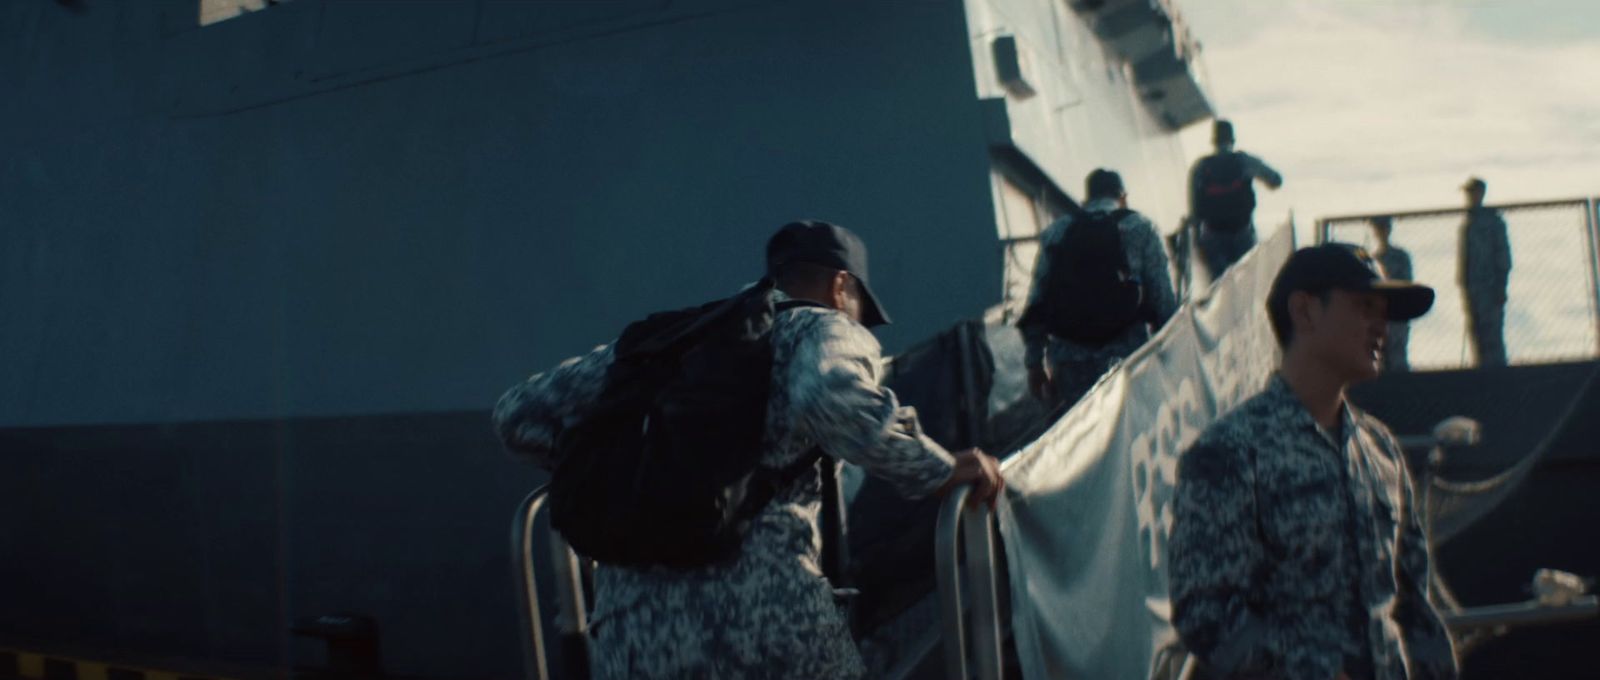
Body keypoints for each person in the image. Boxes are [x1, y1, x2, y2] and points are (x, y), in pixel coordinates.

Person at [492, 220, 1004, 679]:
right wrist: (936, 470)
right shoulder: (821, 326)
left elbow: (518, 414)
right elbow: (830, 397)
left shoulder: (669, 339)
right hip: (767, 626)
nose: (859, 323)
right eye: (860, 312)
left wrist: (628, 469)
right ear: (841, 285)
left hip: (634, 639)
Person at [1169, 244, 1457, 680]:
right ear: (1304, 311)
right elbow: (1207, 615)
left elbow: (1414, 603)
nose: (1382, 327)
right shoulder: (1230, 452)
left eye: (1384, 312)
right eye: (1364, 307)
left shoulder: (1381, 450)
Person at [1020, 168, 1178, 409]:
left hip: (1070, 362)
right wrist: (1171, 348)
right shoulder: (1140, 227)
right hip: (1127, 355)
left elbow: (1037, 302)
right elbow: (1162, 297)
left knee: (1081, 434)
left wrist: (1034, 364)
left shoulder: (1056, 232)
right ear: (1123, 197)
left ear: (1085, 201)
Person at [1189, 119, 1284, 281]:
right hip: (1242, 231)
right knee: (1246, 279)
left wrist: (1197, 238)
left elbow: (1195, 206)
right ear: (1232, 140)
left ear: (1214, 140)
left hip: (1212, 235)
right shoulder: (1244, 161)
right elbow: (1276, 180)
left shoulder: (1201, 166)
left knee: (1219, 284)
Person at [1457, 177, 1512, 368]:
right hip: (1472, 287)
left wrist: (1501, 285)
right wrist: (1463, 283)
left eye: (1472, 192)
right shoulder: (1468, 222)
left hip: (1489, 285)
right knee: (1476, 332)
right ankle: (1481, 368)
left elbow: (1503, 256)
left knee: (1492, 332)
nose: (1469, 197)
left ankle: (1496, 371)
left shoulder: (1493, 222)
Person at [1370, 216, 1414, 372]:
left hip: (1398, 311)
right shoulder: (1372, 259)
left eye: (1383, 228)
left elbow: (1408, 284)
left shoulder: (1400, 256)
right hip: (1379, 314)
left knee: (1398, 355)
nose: (1381, 232)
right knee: (1380, 356)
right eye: (1378, 229)